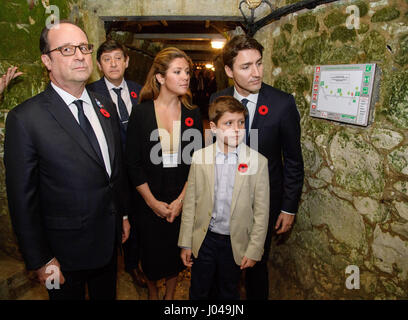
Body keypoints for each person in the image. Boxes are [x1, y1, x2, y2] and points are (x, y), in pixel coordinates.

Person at [4, 21, 131, 300]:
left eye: (84, 47)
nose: (80, 55)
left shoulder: (103, 104)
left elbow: (113, 170)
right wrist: (40, 260)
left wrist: (121, 214)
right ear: (46, 60)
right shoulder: (25, 119)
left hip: (108, 244)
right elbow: (22, 199)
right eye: (67, 49)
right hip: (60, 255)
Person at [210, 35, 304, 300]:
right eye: (246, 66)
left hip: (263, 203)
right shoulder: (217, 100)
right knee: (222, 265)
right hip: (224, 200)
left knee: (256, 267)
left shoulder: (282, 103)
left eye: (259, 64)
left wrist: (288, 206)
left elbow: (293, 160)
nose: (256, 73)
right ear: (229, 71)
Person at [126, 47, 203, 300]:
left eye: (187, 72)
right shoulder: (141, 113)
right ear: (160, 77)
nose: (185, 77)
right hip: (149, 200)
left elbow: (197, 162)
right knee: (150, 255)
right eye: (178, 72)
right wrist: (152, 202)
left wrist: (181, 200)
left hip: (180, 198)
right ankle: (152, 291)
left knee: (175, 255)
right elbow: (133, 163)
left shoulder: (192, 113)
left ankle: (169, 296)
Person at [178, 96, 270, 300]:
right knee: (199, 289)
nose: (236, 129)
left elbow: (262, 212)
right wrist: (185, 242)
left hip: (235, 242)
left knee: (228, 292)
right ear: (214, 127)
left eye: (241, 123)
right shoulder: (200, 158)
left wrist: (254, 249)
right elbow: (191, 204)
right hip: (205, 240)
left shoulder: (258, 163)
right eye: (228, 123)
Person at [87, 39, 146, 288]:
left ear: (127, 61)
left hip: (136, 170)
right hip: (107, 172)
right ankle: (104, 266)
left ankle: (133, 265)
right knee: (109, 218)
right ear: (99, 65)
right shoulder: (89, 93)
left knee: (135, 216)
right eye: (107, 59)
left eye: (118, 58)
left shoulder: (139, 90)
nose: (113, 63)